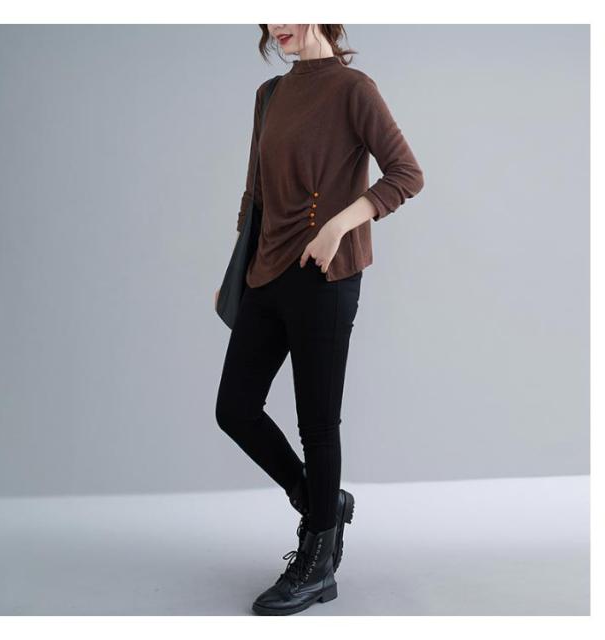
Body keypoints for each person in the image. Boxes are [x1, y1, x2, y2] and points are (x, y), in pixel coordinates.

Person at [214, 24, 424, 615]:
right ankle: (321, 500)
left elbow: (406, 173)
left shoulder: (353, 88)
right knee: (235, 409)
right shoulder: (269, 95)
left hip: (325, 276)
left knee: (317, 422)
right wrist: (237, 268)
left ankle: (318, 563)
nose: (275, 24)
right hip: (265, 270)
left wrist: (337, 226)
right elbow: (255, 193)